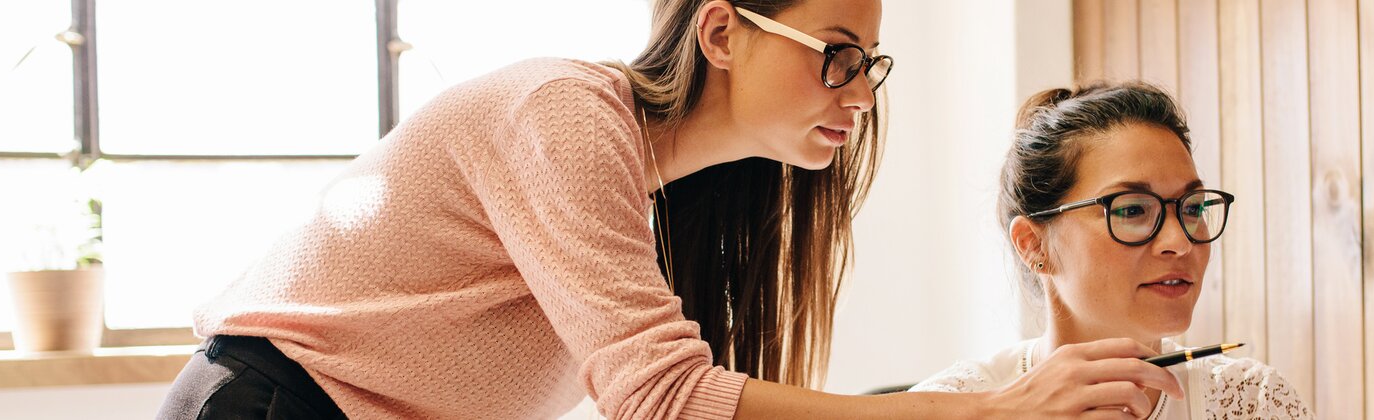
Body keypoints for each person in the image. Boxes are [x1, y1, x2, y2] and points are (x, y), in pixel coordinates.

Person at [157, 1, 1179, 418]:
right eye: (835, 53)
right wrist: (982, 413)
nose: (860, 92)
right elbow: (666, 398)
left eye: (869, 63)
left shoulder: (668, 190)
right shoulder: (567, 115)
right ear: (724, 32)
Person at [909, 82, 1313, 419]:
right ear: (1033, 245)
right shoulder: (955, 403)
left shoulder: (1254, 401)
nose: (1179, 241)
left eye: (1192, 208)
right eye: (1133, 209)